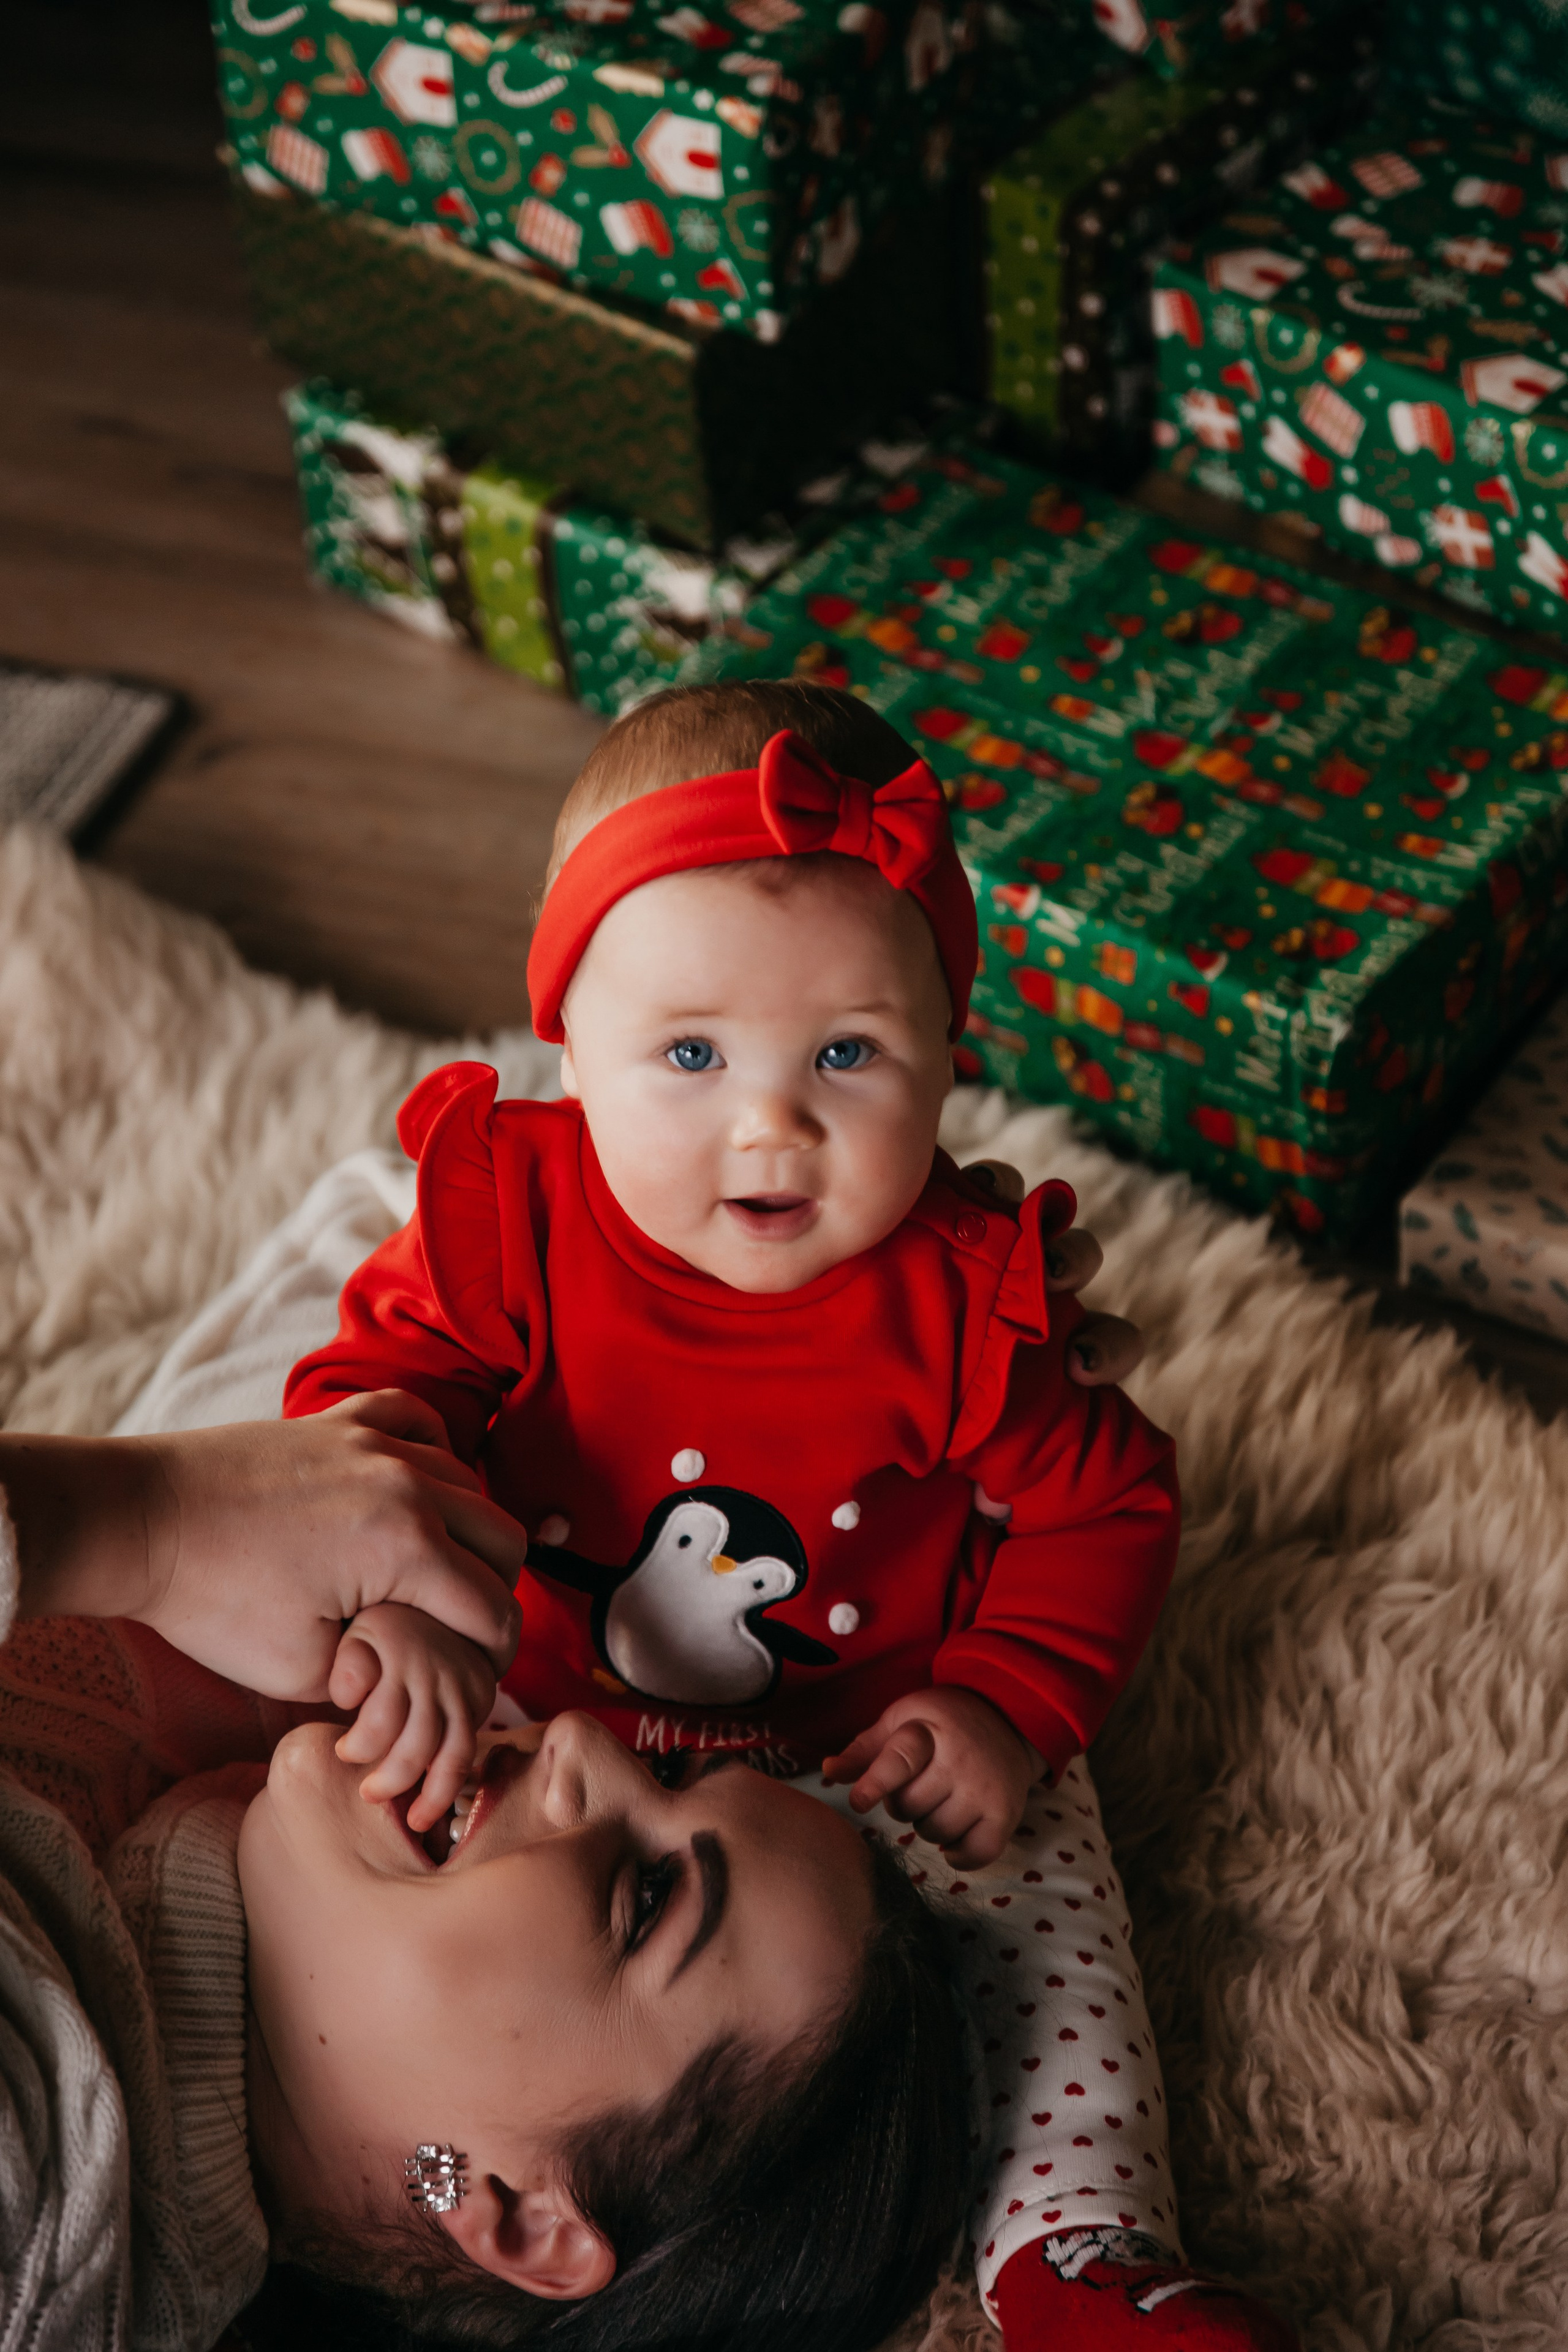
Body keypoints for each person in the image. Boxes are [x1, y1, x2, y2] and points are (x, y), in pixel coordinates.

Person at [283, 678, 1295, 2351]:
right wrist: (395, 1591)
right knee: (326, 1751)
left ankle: (1080, 2248)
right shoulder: (509, 1221)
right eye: (689, 1054)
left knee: (1041, 1909)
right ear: (568, 1043)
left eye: (847, 1053)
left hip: (876, 1733)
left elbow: (1105, 1504)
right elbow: (377, 1406)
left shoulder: (961, 1302)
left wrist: (1004, 1698)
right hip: (542, 1733)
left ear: (949, 1055)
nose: (774, 1124)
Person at [0, 1407, 972, 2352]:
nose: (583, 1738)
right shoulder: (280, 1762)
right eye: (669, 1768)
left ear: (515, 2216)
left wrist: (148, 1521)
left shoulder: (32, 2195)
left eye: (647, 1899)